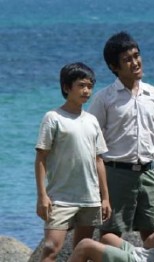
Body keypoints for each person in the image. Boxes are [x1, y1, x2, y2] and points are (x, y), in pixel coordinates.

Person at [88, 31, 154, 241]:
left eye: (137, 56)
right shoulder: (104, 98)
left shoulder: (153, 94)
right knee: (110, 236)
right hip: (116, 173)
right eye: (127, 60)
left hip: (149, 173)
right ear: (113, 67)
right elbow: (90, 140)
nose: (135, 62)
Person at [35, 63, 111, 262]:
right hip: (60, 197)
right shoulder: (53, 118)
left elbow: (98, 160)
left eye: (90, 86)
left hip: (90, 197)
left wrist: (105, 198)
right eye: (81, 85)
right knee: (51, 248)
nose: (87, 90)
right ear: (67, 88)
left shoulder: (92, 120)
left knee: (81, 252)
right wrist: (42, 195)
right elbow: (41, 158)